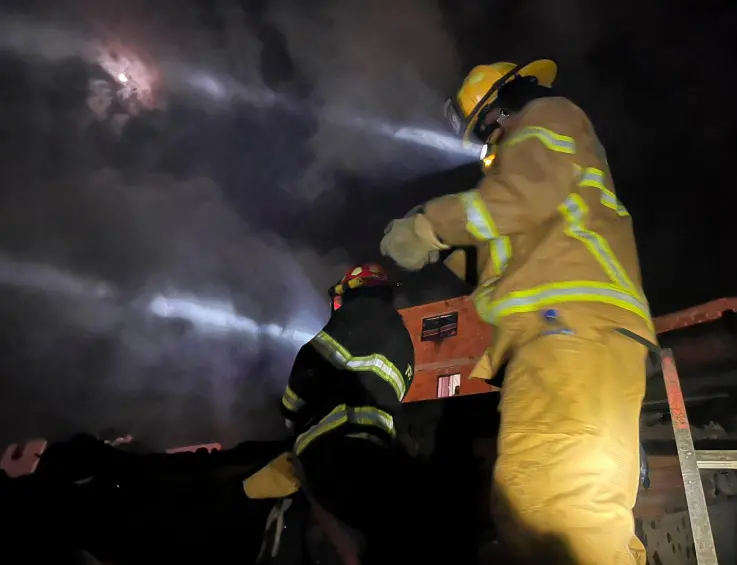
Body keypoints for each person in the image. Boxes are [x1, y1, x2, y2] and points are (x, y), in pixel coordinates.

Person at [380, 59, 656, 565]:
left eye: (482, 130)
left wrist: (431, 225)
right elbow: (509, 249)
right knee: (589, 519)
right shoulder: (545, 159)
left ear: (497, 112)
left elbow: (516, 200)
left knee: (545, 513)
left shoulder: (546, 116)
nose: (485, 146)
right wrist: (447, 249)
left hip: (565, 333)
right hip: (585, 335)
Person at [279, 263, 422, 564]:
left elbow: (309, 365)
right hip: (380, 448)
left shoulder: (352, 319)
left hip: (331, 446)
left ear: (351, 294)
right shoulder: (403, 337)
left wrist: (289, 413)